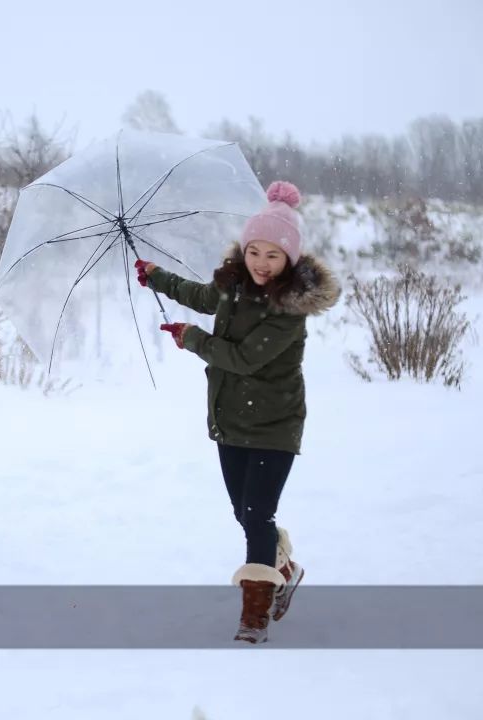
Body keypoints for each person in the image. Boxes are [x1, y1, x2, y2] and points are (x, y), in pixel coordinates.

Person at [135, 181, 340, 642]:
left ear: (289, 258)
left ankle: (254, 618)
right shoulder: (232, 284)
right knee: (245, 514)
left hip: (274, 424)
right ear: (244, 250)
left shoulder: (289, 309)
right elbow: (203, 298)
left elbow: (245, 357)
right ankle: (282, 567)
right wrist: (157, 276)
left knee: (257, 513)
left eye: (273, 255)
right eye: (255, 252)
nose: (262, 264)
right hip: (230, 419)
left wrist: (193, 339)